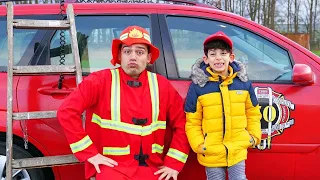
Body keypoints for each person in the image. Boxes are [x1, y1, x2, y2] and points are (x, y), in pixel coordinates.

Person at [57, 25, 190, 180]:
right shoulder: (99, 81)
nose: (133, 57)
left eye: (139, 52)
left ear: (148, 57)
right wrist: (89, 153)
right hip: (110, 169)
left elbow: (183, 124)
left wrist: (173, 163)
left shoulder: (162, 86)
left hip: (152, 169)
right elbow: (66, 112)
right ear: (119, 55)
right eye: (127, 51)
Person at [184, 31, 261, 180]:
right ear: (206, 59)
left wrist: (253, 137)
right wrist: (200, 144)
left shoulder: (244, 83)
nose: (218, 58)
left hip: (237, 148)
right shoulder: (198, 86)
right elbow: (192, 121)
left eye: (223, 53)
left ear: (231, 57)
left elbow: (253, 113)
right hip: (211, 150)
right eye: (213, 54)